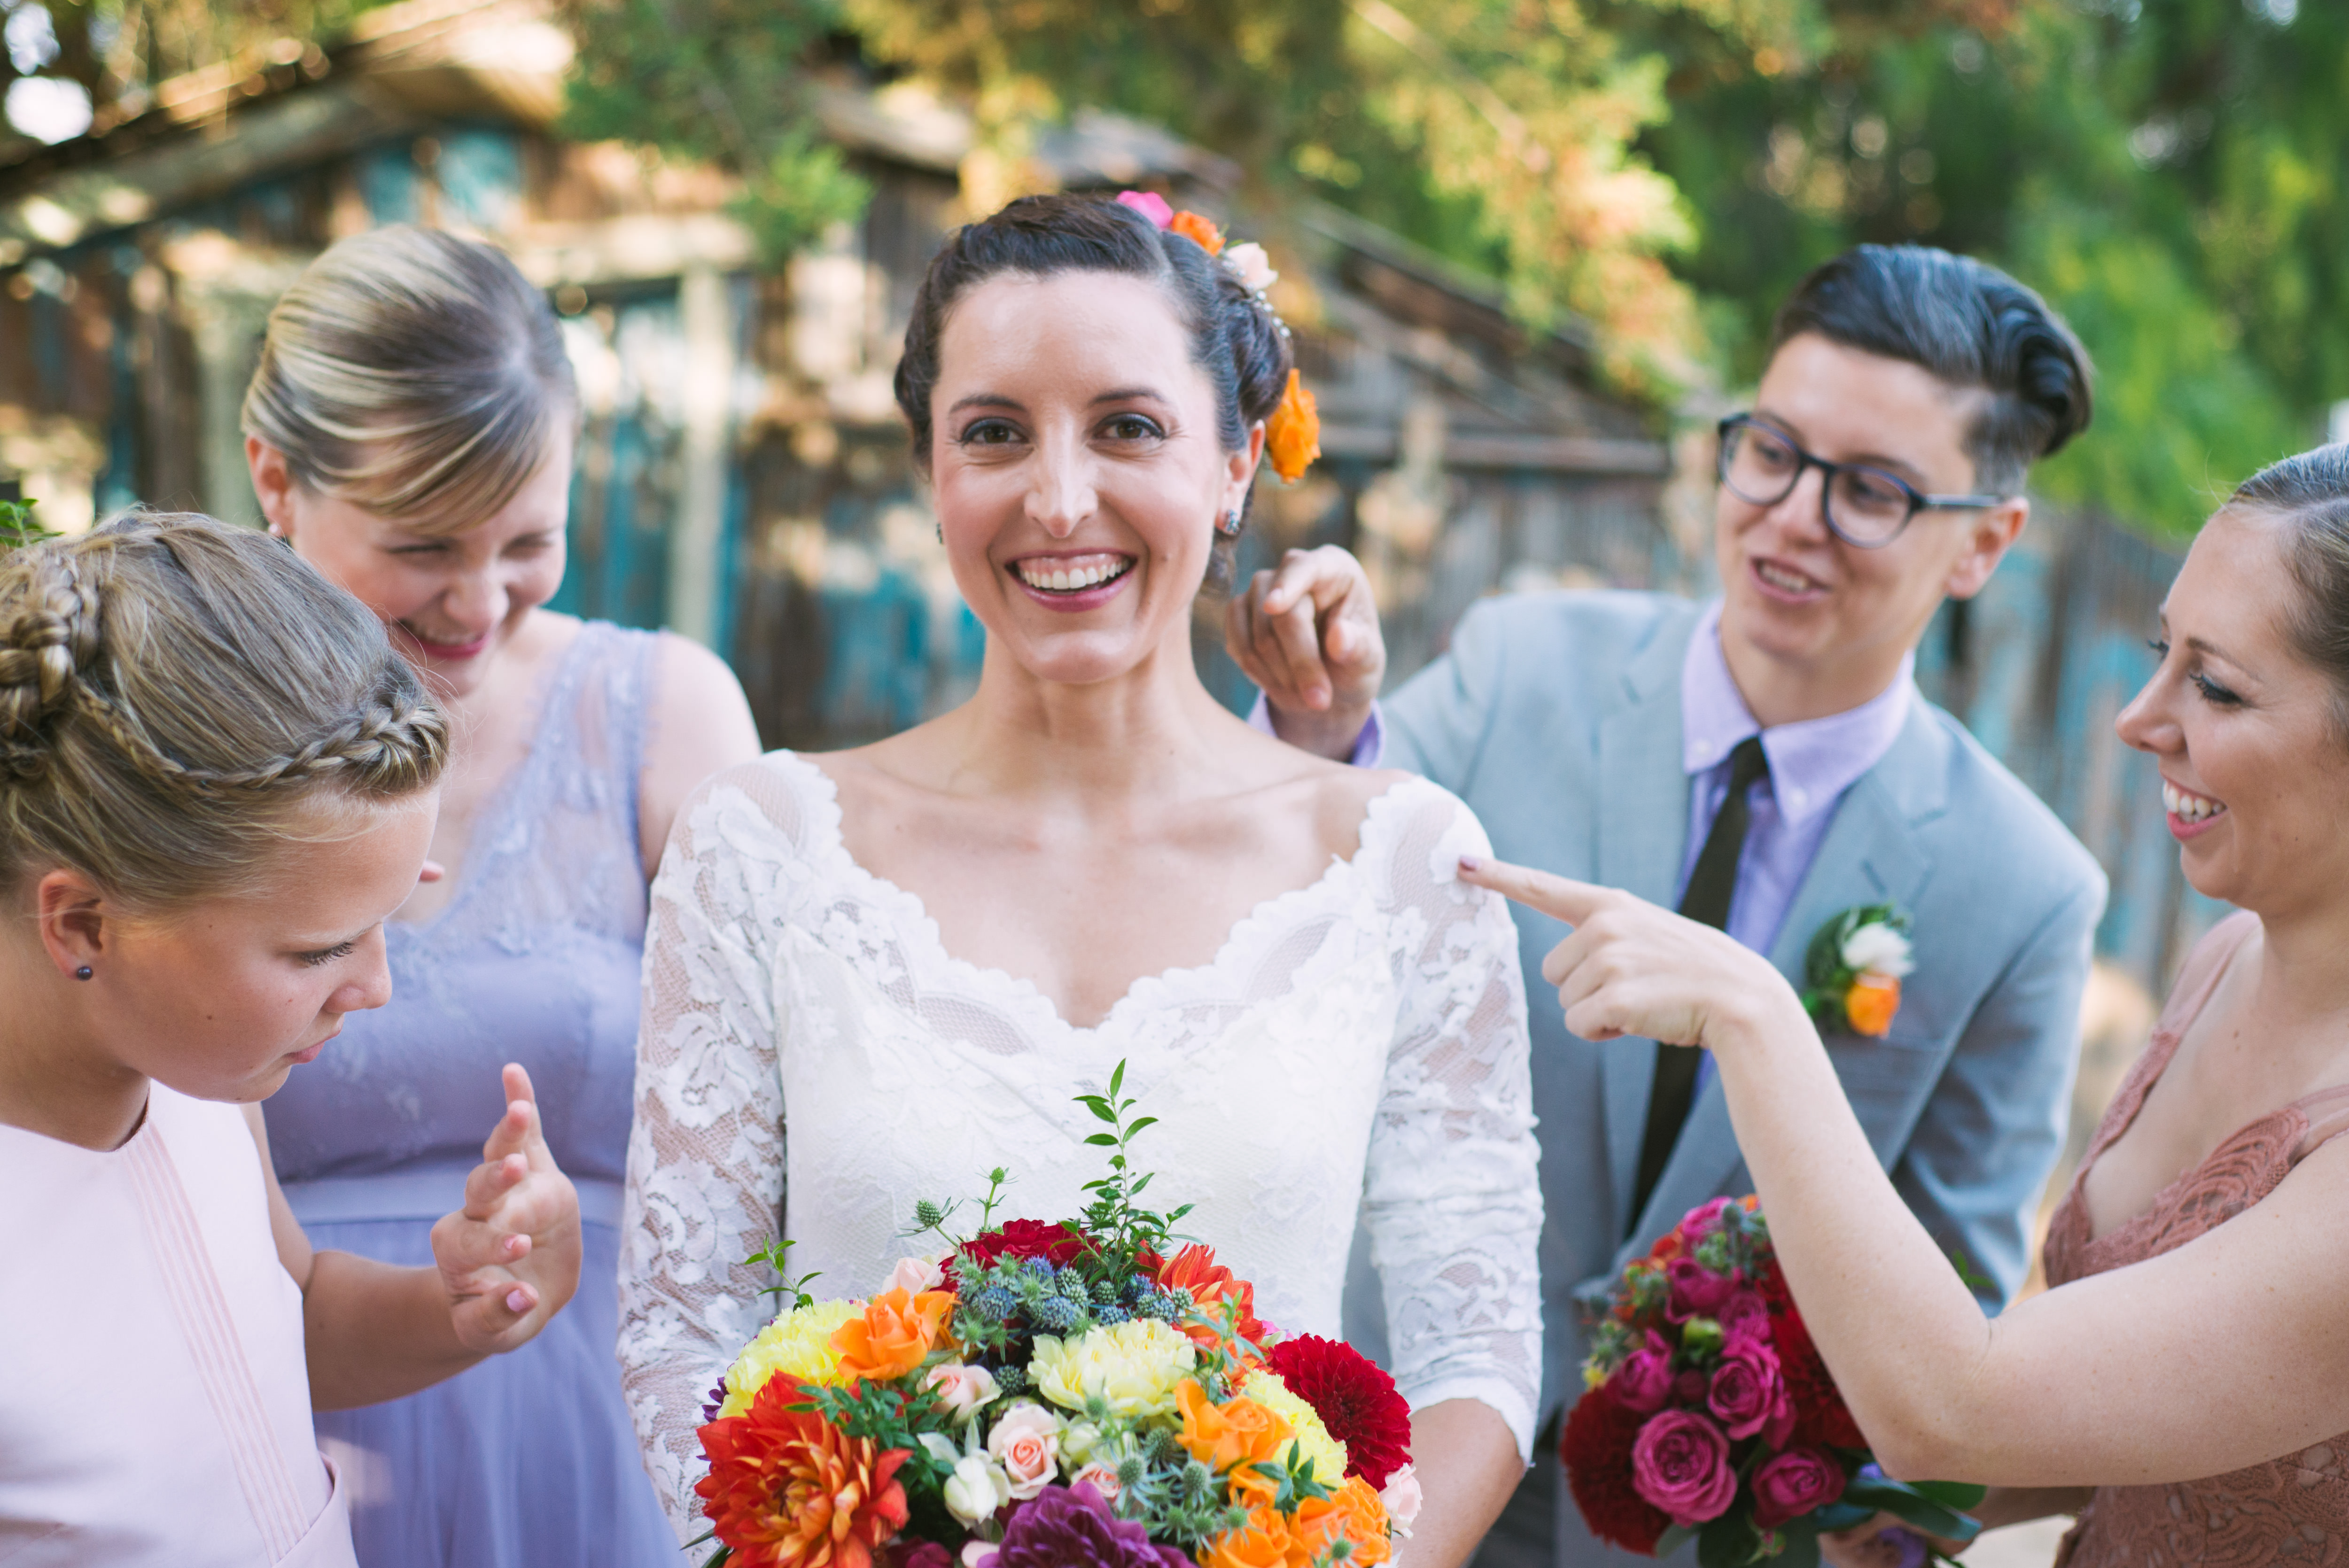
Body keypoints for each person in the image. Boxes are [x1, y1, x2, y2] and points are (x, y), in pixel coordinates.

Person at [617, 192, 1542, 1567]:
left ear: (1234, 464)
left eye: (1128, 427)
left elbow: (1478, 1356)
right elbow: (682, 1330)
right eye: (994, 433)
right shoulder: (761, 845)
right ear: (932, 473)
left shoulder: (1399, 861)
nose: (1058, 500)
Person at [1226, 245, 2108, 1568]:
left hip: (1694, 1537)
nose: (1794, 515)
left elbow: (1949, 1297)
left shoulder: (2025, 888)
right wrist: (1327, 724)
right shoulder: (1529, 661)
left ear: (1985, 540)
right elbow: (1300, 901)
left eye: (1871, 490)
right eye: (1770, 450)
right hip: (1377, 1450)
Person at [1465, 442, 2349, 1568]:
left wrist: (1756, 1015)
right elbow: (2168, 1405)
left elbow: (1957, 1403)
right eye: (2157, 653)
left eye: (2215, 686)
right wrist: (1898, 1500)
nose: (2138, 718)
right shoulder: (2222, 960)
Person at [241, 225, 761, 1566]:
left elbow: (795, 1105)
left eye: (531, 539)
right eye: (426, 545)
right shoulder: (184, 755)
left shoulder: (666, 712)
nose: (482, 603)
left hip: (597, 1446)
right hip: (279, 1429)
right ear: (277, 482)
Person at [0, 512, 580, 1566]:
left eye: (390, 917)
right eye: (318, 950)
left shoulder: (204, 1085)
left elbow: (288, 1319)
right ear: (83, 923)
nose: (375, 987)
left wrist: (456, 1309)